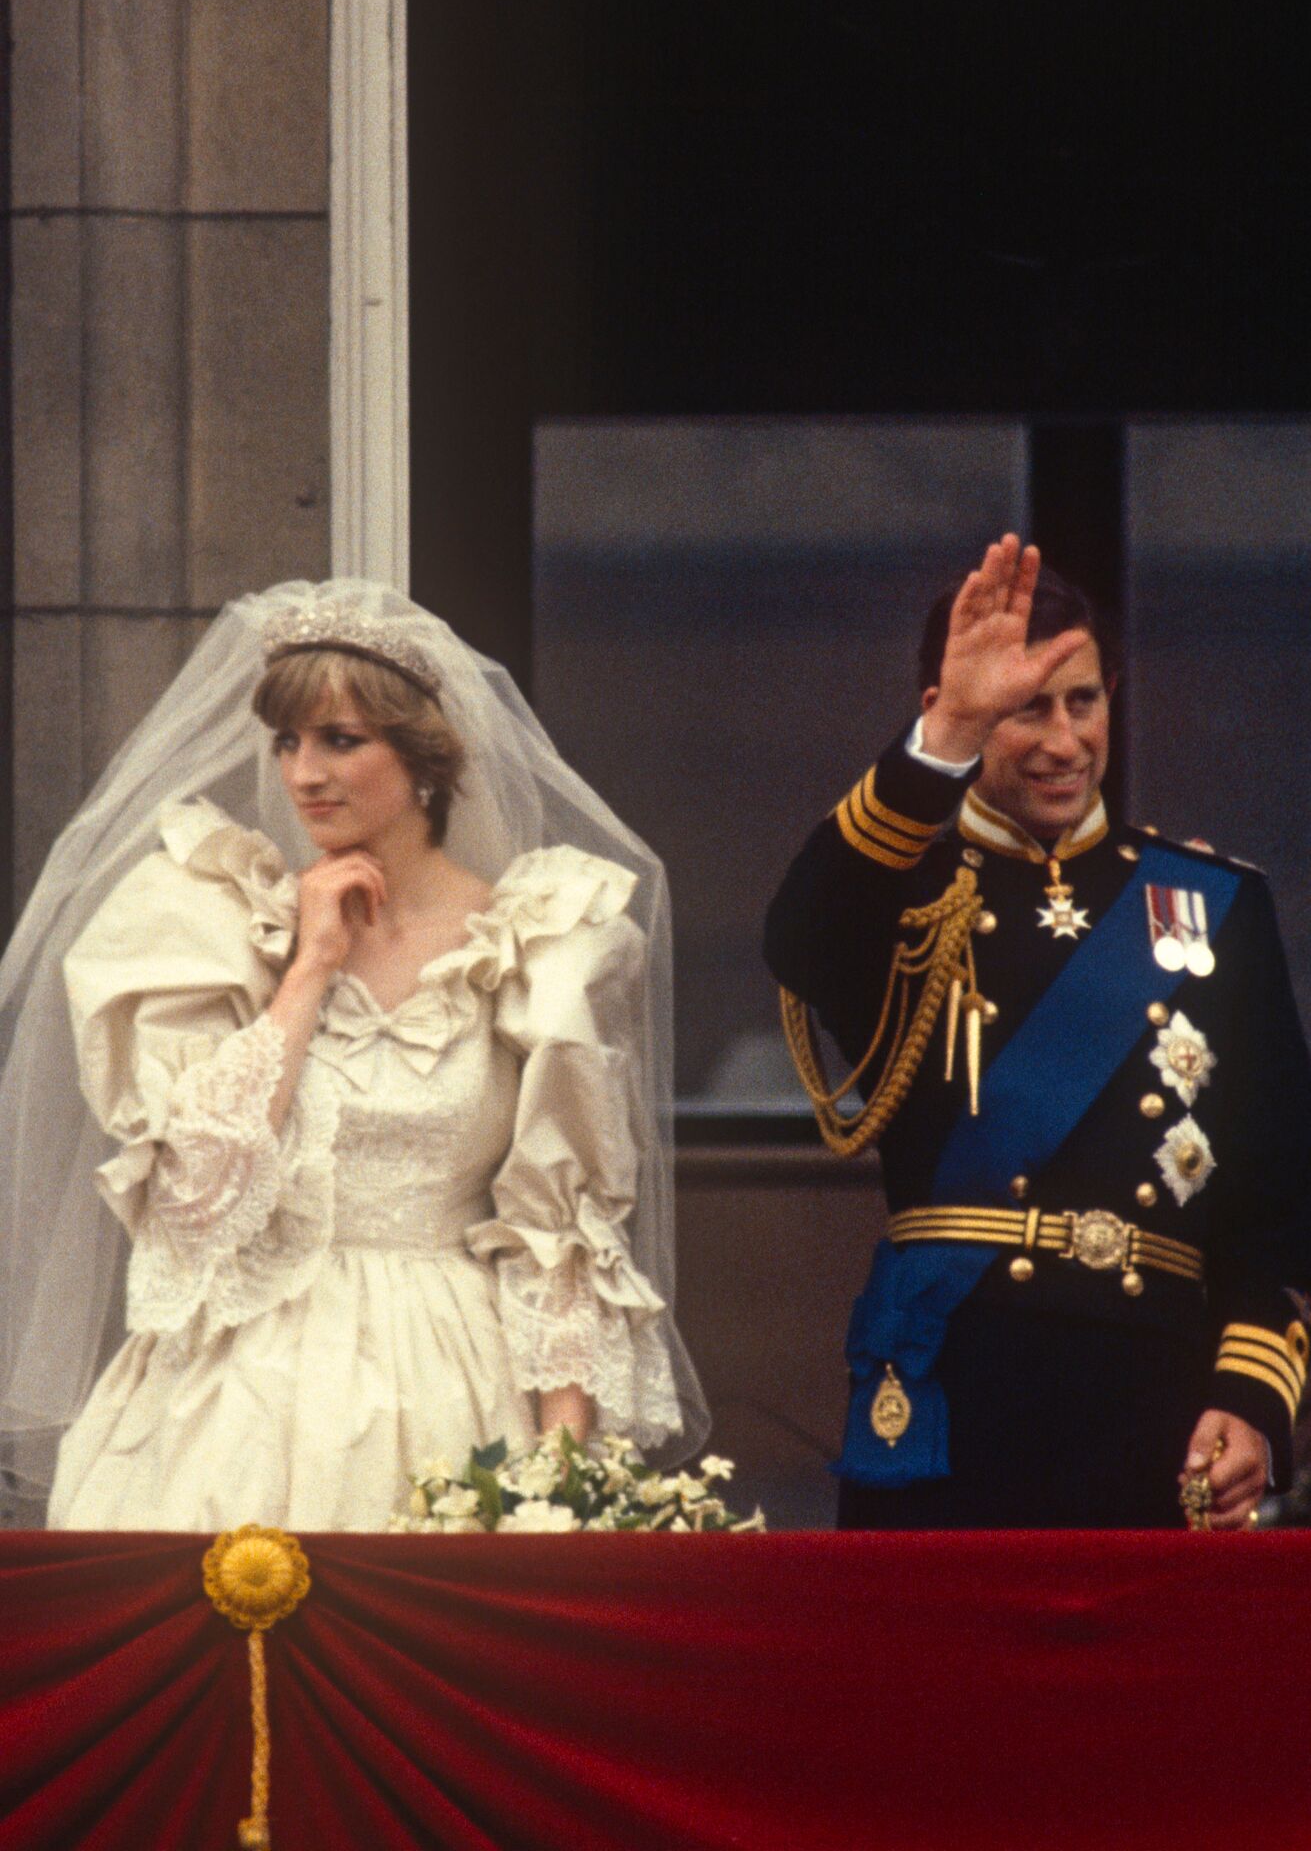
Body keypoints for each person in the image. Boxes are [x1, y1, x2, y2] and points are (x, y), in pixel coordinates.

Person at [0, 581, 706, 1530]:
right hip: (235, 1391)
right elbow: (192, 1201)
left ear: (423, 761)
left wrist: (561, 1483)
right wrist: (308, 969)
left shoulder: (542, 948)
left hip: (454, 1376)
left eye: (339, 740)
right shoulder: (216, 922)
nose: (302, 774)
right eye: (287, 741)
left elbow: (562, 1242)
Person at [765, 535, 1311, 1530]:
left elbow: (1272, 1207)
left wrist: (1250, 1395)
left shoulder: (1214, 905)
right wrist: (941, 741)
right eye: (1026, 708)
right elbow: (799, 933)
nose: (1064, 741)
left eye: (1085, 701)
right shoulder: (902, 891)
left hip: (1153, 1397)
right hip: (954, 1391)